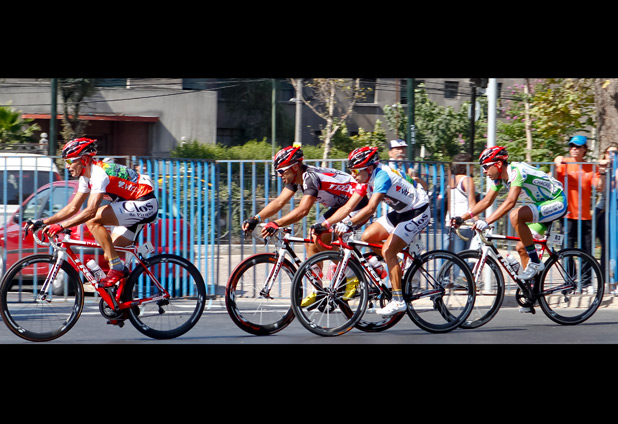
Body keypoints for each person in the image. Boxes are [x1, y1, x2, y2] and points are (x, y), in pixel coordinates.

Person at [241, 144, 370, 305]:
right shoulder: (296, 178)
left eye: (282, 171)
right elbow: (280, 201)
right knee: (311, 240)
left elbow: (303, 210)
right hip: (341, 205)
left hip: (358, 204)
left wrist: (275, 223)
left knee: (321, 236)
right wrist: (256, 218)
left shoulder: (310, 178)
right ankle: (319, 290)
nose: (279, 175)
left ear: (295, 167)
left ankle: (353, 275)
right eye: (278, 171)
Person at [311, 146, 430, 316]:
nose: (352, 174)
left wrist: (349, 224)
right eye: (351, 170)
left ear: (368, 168)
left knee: (388, 250)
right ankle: (397, 261)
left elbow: (371, 208)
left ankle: (398, 300)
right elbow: (348, 207)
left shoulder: (382, 176)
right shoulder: (366, 179)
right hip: (403, 211)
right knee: (367, 237)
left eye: (355, 170)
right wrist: (325, 224)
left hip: (418, 210)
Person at [25, 138, 158, 287]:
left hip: (144, 203)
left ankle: (118, 270)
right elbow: (72, 207)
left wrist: (61, 226)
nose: (67, 166)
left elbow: (91, 211)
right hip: (130, 206)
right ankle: (123, 299)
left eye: (69, 161)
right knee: (110, 254)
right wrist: (44, 222)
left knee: (93, 220)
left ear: (84, 159)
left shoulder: (99, 174)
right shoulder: (86, 178)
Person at [451, 146, 567, 294]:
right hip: (543, 205)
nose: (484, 171)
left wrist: (486, 221)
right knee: (521, 247)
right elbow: (486, 201)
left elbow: (510, 202)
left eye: (486, 166)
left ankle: (535, 262)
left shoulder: (516, 171)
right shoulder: (500, 179)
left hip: (557, 202)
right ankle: (532, 290)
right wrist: (462, 218)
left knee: (515, 215)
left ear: (498, 164)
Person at [553, 135, 602, 291]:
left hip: (585, 216)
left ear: (584, 149)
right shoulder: (563, 163)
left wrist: (602, 172)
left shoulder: (590, 167)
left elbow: (599, 186)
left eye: (578, 146)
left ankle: (586, 282)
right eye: (572, 146)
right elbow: (551, 179)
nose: (574, 148)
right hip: (566, 216)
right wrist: (555, 162)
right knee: (566, 251)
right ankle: (570, 281)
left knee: (586, 251)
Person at [594, 143, 618, 289]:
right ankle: (604, 281)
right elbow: (599, 188)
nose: (612, 156)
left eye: (615, 153)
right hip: (604, 210)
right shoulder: (602, 170)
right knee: (605, 247)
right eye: (609, 153)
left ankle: (615, 280)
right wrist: (603, 171)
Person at [444, 152, 476, 252]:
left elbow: (449, 203)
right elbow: (472, 203)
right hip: (465, 223)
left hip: (450, 221)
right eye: (472, 164)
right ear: (467, 166)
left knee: (451, 256)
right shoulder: (467, 180)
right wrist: (477, 221)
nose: (473, 167)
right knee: (464, 257)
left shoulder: (451, 180)